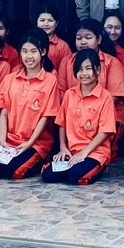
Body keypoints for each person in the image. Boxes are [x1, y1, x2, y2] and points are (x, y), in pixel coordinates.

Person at [0, 32, 60, 180]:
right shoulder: (9, 78)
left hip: (35, 142)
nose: (29, 56)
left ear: (43, 52)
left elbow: (45, 117)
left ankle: (40, 159)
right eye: (25, 51)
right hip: (9, 140)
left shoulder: (50, 80)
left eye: (33, 51)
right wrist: (2, 140)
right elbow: (3, 112)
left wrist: (29, 143)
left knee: (16, 172)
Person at [42, 49, 115, 185]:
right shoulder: (69, 94)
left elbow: (105, 131)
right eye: (80, 69)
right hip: (72, 152)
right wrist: (63, 148)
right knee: (48, 175)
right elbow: (62, 123)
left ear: (98, 70)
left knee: (76, 176)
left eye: (88, 68)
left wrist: (84, 153)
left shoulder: (105, 97)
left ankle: (98, 167)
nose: (84, 73)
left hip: (95, 152)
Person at [56, 19, 124, 159]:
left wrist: (88, 112)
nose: (83, 42)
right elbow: (62, 93)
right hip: (73, 116)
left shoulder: (112, 63)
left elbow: (114, 96)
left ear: (99, 39)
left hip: (103, 117)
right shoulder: (67, 61)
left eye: (88, 38)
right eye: (79, 38)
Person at [36, 6, 73, 72]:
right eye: (42, 20)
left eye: (50, 20)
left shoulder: (63, 46)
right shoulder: (29, 43)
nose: (46, 24)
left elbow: (68, 70)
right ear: (36, 22)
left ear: (56, 23)